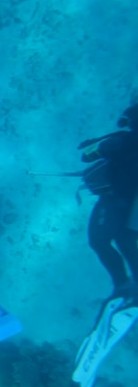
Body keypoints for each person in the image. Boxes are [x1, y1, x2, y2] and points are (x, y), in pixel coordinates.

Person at [78, 103, 138, 297]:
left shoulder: (121, 141)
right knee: (125, 241)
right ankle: (130, 288)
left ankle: (122, 286)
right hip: (132, 203)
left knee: (99, 241)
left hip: (114, 201)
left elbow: (86, 156)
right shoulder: (122, 140)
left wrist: (101, 144)